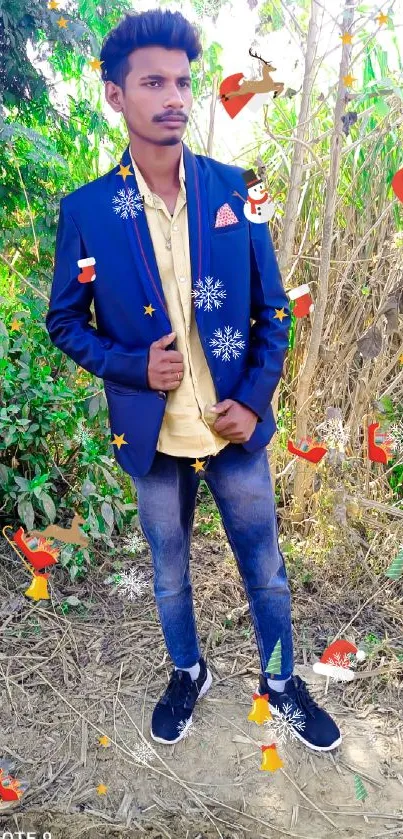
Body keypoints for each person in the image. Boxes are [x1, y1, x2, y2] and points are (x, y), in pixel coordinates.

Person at [46, 8, 341, 751]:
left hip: (232, 429)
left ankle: (279, 681)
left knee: (267, 572)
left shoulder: (234, 187)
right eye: (153, 82)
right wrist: (131, 365)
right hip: (152, 435)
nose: (173, 96)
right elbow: (65, 322)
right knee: (169, 575)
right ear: (116, 95)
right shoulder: (86, 212)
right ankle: (188, 671)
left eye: (182, 81)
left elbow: (273, 308)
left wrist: (252, 397)